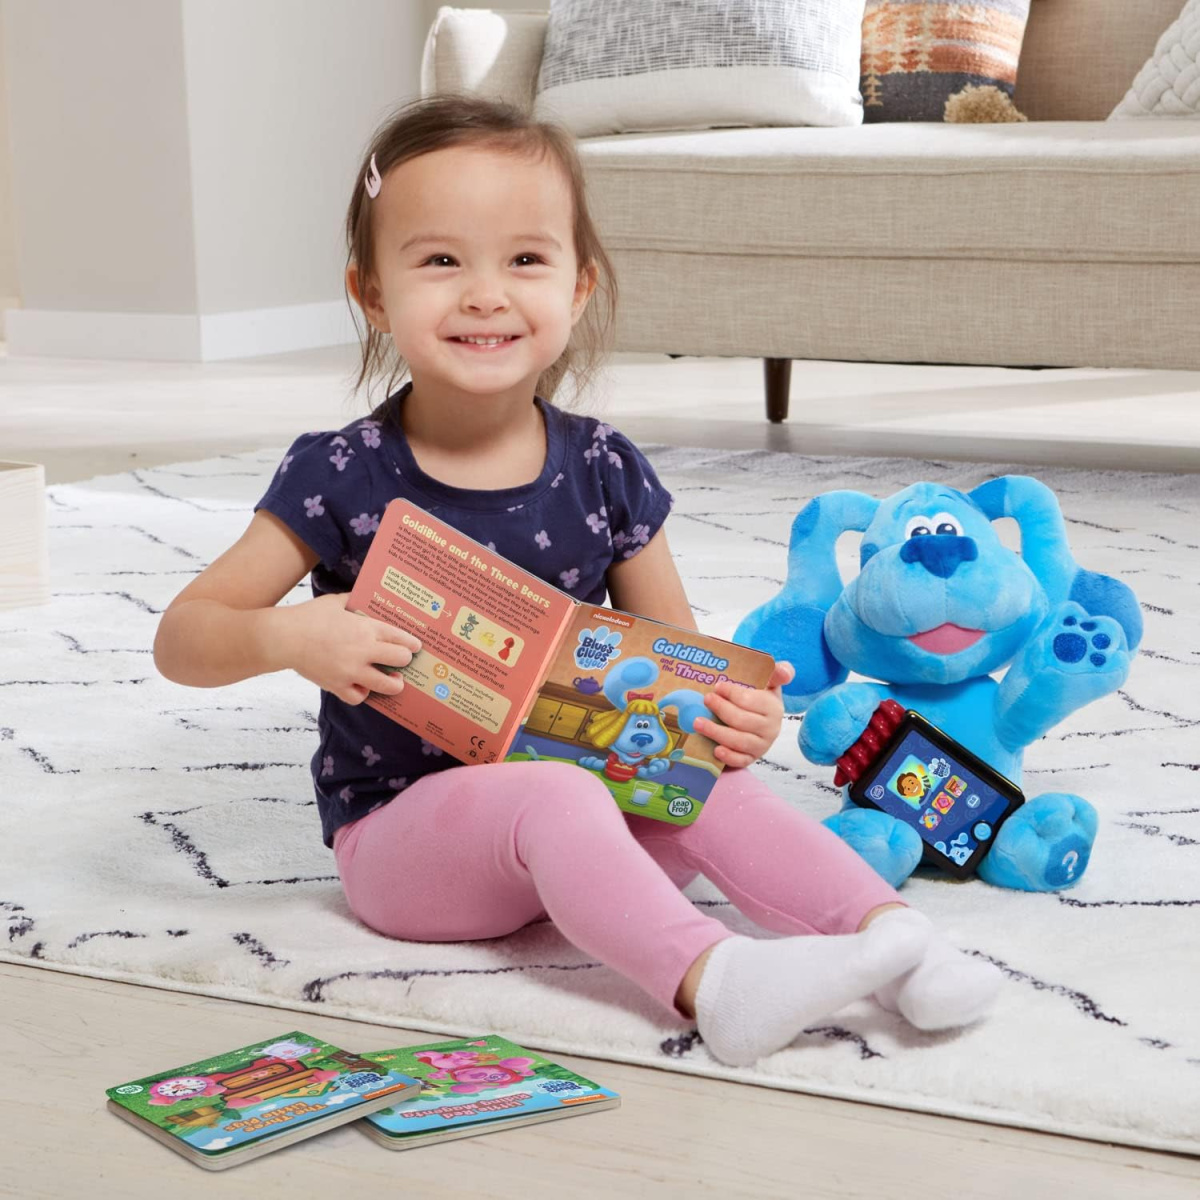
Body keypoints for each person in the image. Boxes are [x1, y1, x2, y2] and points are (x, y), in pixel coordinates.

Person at [153, 95, 1001, 1067]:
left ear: (580, 285)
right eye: (441, 261)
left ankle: (895, 942)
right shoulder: (341, 474)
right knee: (554, 793)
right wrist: (288, 636)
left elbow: (689, 665)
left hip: (597, 824)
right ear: (373, 295)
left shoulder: (602, 467)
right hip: (405, 847)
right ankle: (714, 983)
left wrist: (737, 716)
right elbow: (183, 636)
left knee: (713, 783)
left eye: (525, 259)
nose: (485, 295)